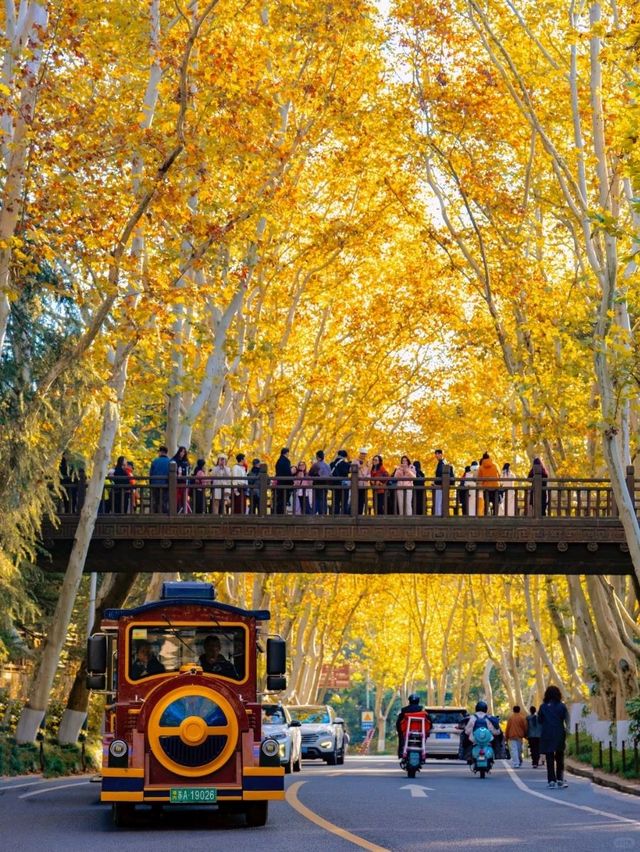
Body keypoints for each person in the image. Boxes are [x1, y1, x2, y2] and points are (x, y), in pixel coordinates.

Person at [538, 684, 570, 788]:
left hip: (547, 734)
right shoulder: (562, 706)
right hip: (559, 733)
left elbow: (540, 720)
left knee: (549, 757)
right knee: (560, 757)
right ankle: (560, 779)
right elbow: (567, 720)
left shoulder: (543, 707)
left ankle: (551, 781)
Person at [395, 693, 431, 758]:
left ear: (409, 701)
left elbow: (398, 722)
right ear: (418, 701)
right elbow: (429, 721)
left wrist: (399, 731)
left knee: (401, 735)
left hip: (406, 731)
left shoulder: (404, 710)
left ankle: (401, 753)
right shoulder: (422, 709)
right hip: (420, 731)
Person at [309, 450, 332, 515]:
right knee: (324, 500)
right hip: (326, 485)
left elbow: (310, 474)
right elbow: (330, 475)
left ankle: (316, 513)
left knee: (317, 500)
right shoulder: (327, 466)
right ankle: (323, 513)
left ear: (318, 457)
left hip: (317, 484)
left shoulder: (316, 465)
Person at [149, 446, 170, 513]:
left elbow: (151, 474)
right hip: (166, 485)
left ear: (160, 452)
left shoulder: (155, 461)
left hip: (155, 485)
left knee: (156, 501)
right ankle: (164, 516)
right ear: (166, 453)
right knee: (164, 501)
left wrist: (151, 484)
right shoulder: (170, 462)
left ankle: (155, 515)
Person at [330, 449, 351, 515]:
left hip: (335, 485)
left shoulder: (332, 464)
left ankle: (335, 516)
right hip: (344, 486)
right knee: (344, 502)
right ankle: (344, 516)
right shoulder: (346, 464)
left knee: (335, 502)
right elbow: (349, 471)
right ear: (345, 457)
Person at [172, 446, 190, 513]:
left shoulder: (186, 462)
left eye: (184, 452)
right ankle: (175, 511)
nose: (182, 453)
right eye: (181, 451)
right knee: (176, 499)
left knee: (184, 499)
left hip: (184, 482)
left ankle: (185, 512)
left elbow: (188, 471)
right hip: (176, 483)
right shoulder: (174, 460)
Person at [275, 447, 292, 514]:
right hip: (285, 482)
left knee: (279, 499)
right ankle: (282, 513)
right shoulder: (286, 461)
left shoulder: (278, 461)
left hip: (279, 482)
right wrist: (291, 481)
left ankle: (278, 513)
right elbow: (287, 472)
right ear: (286, 453)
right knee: (284, 499)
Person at [355, 448, 370, 515]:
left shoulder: (367, 462)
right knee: (356, 499)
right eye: (362, 454)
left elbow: (369, 472)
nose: (363, 455)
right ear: (360, 454)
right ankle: (355, 513)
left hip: (364, 484)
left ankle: (361, 513)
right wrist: (359, 466)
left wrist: (368, 477)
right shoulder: (355, 461)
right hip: (357, 484)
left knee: (362, 500)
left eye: (364, 454)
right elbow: (351, 470)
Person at [433, 449, 445, 516]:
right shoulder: (440, 463)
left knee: (439, 502)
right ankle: (438, 515)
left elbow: (440, 475)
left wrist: (436, 483)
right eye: (435, 454)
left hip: (440, 486)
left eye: (437, 454)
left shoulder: (442, 463)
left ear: (441, 454)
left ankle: (439, 516)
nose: (436, 455)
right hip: (439, 485)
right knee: (438, 502)